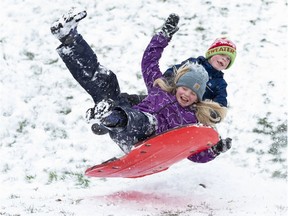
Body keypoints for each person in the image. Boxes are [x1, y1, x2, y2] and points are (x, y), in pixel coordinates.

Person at [50, 8, 231, 163]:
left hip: (144, 138)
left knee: (146, 121)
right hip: (125, 124)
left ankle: (109, 118)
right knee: (105, 80)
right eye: (185, 88)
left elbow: (191, 152)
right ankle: (69, 38)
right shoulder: (160, 88)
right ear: (177, 86)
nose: (187, 94)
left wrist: (214, 150)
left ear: (198, 99)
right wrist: (163, 36)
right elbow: (149, 62)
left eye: (193, 93)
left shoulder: (191, 119)